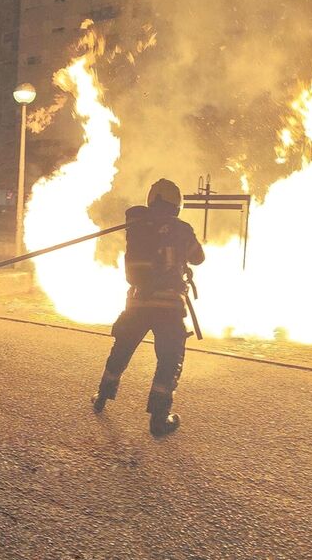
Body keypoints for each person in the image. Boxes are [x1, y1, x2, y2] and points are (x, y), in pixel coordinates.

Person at [91, 178, 205, 436]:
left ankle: (102, 396)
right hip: (168, 307)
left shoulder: (138, 226)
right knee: (169, 358)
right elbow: (198, 257)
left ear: (151, 200)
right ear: (176, 204)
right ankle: (159, 418)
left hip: (138, 303)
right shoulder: (182, 229)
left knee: (121, 350)